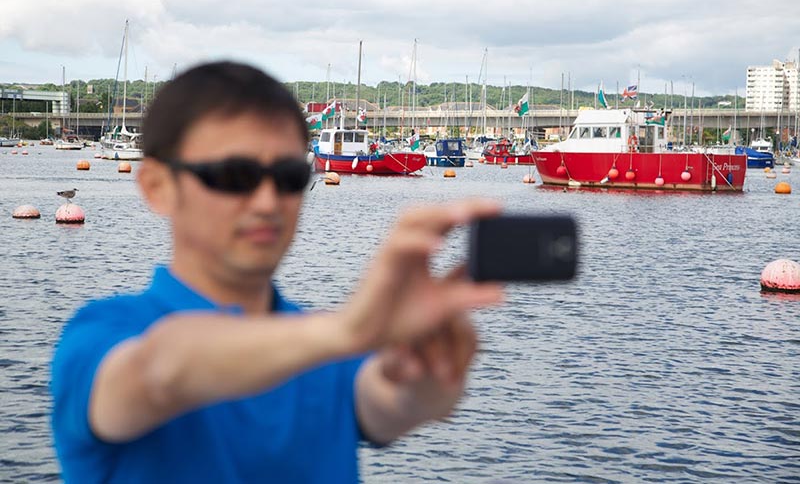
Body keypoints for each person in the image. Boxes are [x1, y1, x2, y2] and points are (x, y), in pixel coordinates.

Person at [51, 61, 504, 483]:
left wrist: (431, 373)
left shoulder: (326, 344)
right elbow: (160, 371)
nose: (269, 202)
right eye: (234, 175)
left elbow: (384, 399)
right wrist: (350, 329)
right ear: (156, 186)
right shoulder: (98, 336)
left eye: (288, 176)